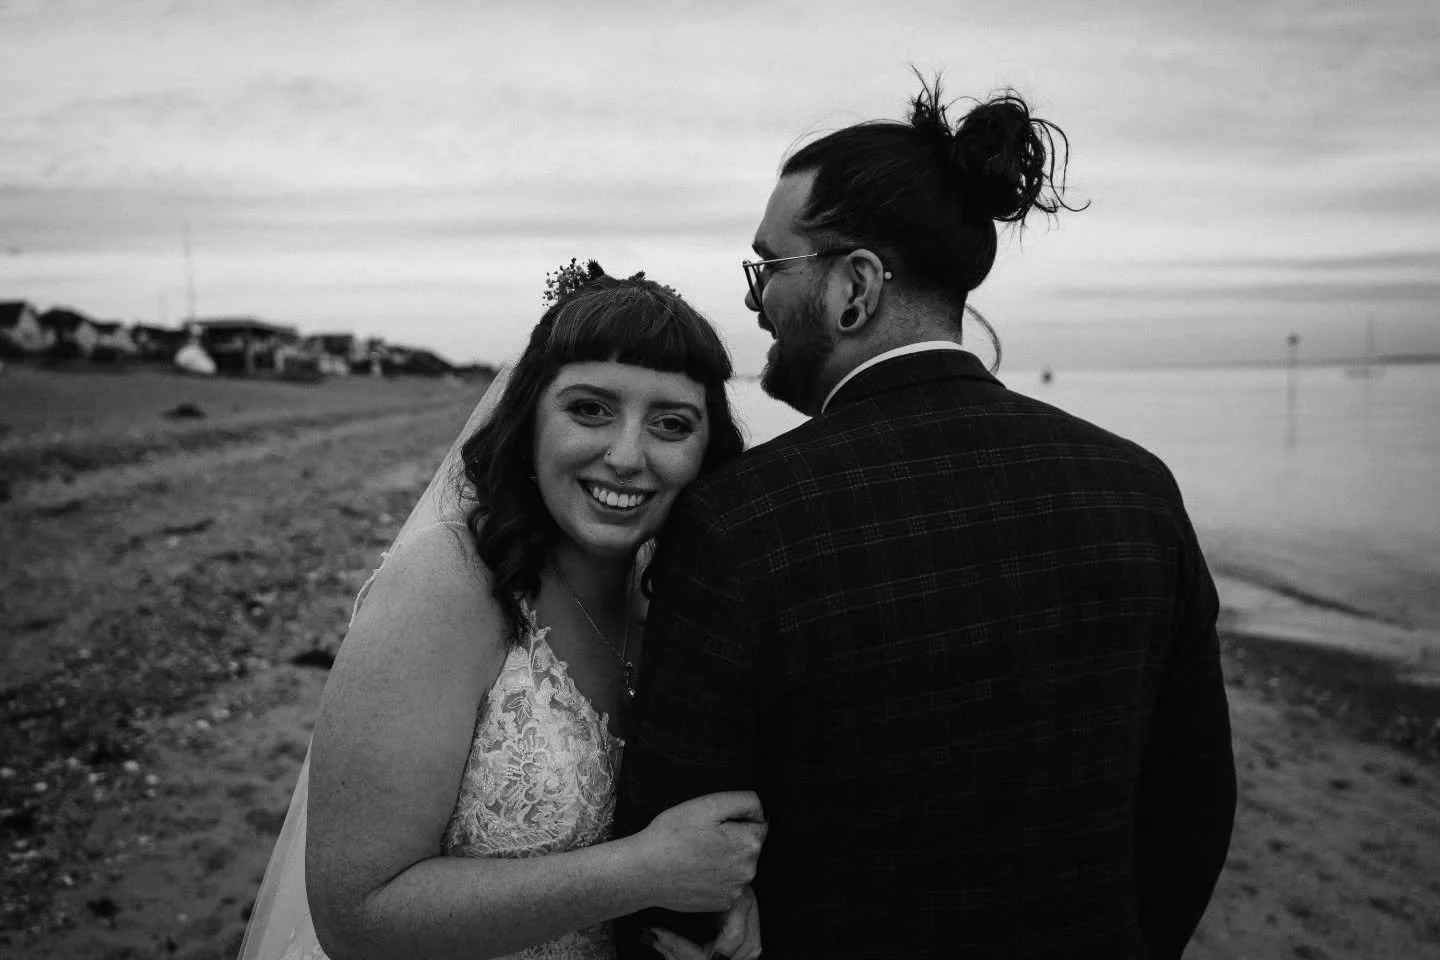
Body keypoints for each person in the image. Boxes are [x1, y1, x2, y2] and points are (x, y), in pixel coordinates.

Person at [616, 78, 1237, 959]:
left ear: (854, 287)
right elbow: (1192, 808)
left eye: (769, 267)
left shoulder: (738, 519)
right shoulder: (1138, 489)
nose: (756, 301)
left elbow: (676, 869)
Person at [238, 263, 767, 960]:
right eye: (590, 409)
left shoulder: (675, 601)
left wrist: (726, 903)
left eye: (671, 423)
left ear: (706, 452)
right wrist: (644, 872)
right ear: (529, 423)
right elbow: (356, 917)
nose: (628, 455)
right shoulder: (446, 586)